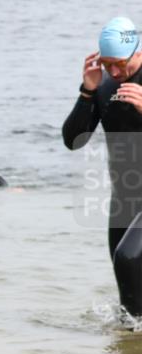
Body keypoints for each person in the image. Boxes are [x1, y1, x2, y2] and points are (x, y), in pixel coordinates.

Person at [63, 17, 142, 315]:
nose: (114, 71)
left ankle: (132, 340)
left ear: (137, 51)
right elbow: (73, 140)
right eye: (107, 63)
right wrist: (87, 91)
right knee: (127, 278)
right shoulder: (104, 85)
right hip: (125, 199)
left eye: (119, 63)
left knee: (129, 258)